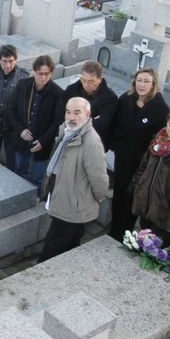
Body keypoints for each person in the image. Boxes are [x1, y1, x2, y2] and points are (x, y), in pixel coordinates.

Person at [37, 97, 109, 262]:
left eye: (77, 112)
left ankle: (40, 277)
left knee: (52, 246)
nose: (71, 117)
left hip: (73, 205)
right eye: (68, 112)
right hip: (63, 196)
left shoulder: (91, 142)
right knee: (70, 244)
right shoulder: (67, 131)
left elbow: (99, 180)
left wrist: (92, 201)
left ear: (88, 114)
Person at [108, 67, 170, 240]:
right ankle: (114, 227)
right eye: (139, 80)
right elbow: (114, 124)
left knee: (132, 195)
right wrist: (115, 144)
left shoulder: (160, 108)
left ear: (153, 84)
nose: (142, 84)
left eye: (146, 81)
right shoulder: (126, 99)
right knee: (119, 190)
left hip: (141, 161)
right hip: (123, 155)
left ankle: (125, 230)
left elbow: (160, 138)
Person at [8, 55, 63, 184]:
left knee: (37, 178)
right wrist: (21, 130)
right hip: (22, 140)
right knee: (19, 172)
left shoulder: (58, 93)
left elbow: (57, 122)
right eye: (40, 74)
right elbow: (11, 109)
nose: (43, 77)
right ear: (33, 71)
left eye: (47, 74)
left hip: (41, 145)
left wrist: (43, 141)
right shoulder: (23, 85)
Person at [59, 60, 118, 150]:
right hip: (69, 140)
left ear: (100, 79)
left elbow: (102, 124)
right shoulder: (72, 90)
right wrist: (89, 120)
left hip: (93, 145)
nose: (86, 85)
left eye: (91, 81)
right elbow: (60, 111)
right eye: (83, 80)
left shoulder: (110, 98)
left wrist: (74, 118)